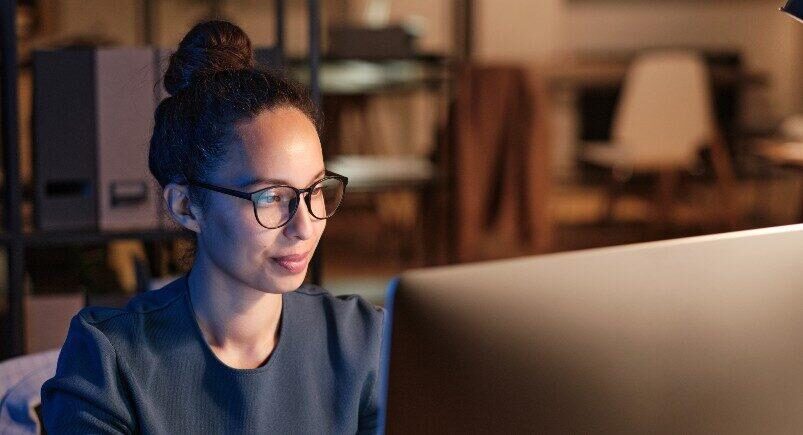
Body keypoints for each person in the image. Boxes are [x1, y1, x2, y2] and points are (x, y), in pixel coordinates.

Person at [40, 20, 384, 434]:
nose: (305, 225)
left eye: (314, 190)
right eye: (271, 197)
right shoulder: (109, 361)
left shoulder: (362, 340)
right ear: (186, 206)